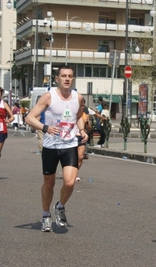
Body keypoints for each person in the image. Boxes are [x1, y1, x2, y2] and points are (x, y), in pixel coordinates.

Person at [26, 66, 88, 232]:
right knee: (49, 183)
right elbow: (29, 117)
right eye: (63, 76)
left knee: (69, 182)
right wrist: (45, 128)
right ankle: (46, 215)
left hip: (69, 145)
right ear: (57, 79)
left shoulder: (78, 97)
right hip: (51, 146)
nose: (67, 79)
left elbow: (78, 116)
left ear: (73, 79)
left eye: (69, 76)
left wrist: (81, 130)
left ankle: (60, 206)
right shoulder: (48, 96)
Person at [76, 99, 91, 181]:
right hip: (71, 137)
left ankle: (75, 173)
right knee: (71, 158)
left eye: (83, 105)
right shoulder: (71, 110)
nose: (82, 106)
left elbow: (89, 128)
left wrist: (88, 122)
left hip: (81, 137)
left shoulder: (85, 112)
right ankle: (70, 172)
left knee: (80, 157)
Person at [0, 87, 15, 158]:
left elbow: (12, 117)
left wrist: (8, 120)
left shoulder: (4, 104)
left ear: (1, 95)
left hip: (2, 130)